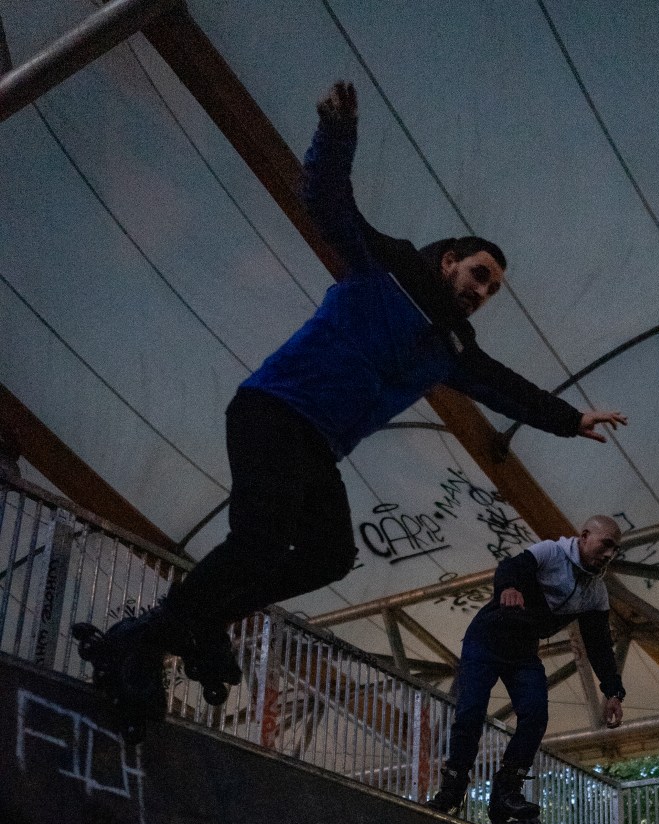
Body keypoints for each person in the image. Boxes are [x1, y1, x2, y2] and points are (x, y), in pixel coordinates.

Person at [86, 81, 627, 709]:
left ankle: (194, 620)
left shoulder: (451, 348)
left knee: (330, 555)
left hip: (317, 446)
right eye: (479, 274)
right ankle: (156, 635)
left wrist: (568, 417)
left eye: (493, 291)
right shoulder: (388, 265)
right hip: (274, 410)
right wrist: (336, 133)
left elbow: (503, 386)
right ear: (450, 259)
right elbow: (328, 201)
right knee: (259, 540)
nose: (482, 292)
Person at [428, 515, 626, 822]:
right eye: (606, 545)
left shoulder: (596, 592)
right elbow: (511, 567)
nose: (610, 554)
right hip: (487, 639)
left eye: (616, 549)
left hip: (522, 652)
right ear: (585, 536)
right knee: (471, 712)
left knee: (535, 714)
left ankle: (506, 792)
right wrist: (509, 587)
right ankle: (452, 788)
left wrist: (613, 691)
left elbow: (599, 645)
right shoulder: (552, 551)